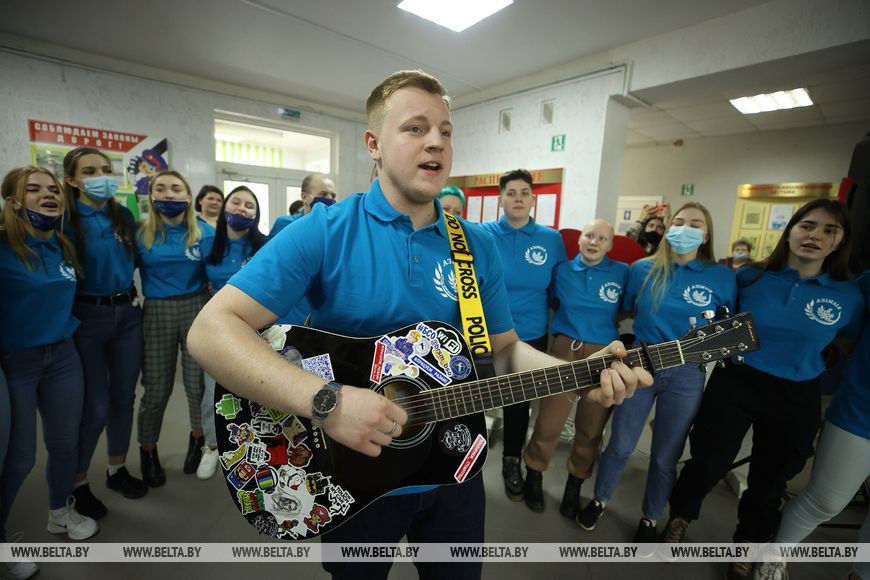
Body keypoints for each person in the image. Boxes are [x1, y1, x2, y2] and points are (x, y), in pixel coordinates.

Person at [187, 69, 650, 580]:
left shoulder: (475, 244)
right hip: (349, 469)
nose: (436, 141)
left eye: (446, 131)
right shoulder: (323, 230)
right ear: (374, 144)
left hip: (453, 467)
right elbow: (211, 330)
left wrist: (584, 374)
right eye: (415, 128)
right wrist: (328, 402)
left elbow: (505, 350)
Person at [663, 199, 864, 580]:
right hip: (738, 382)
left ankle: (748, 544)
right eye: (807, 225)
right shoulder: (749, 278)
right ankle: (680, 517)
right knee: (709, 459)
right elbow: (715, 325)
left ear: (840, 242)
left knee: (770, 479)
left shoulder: (848, 296)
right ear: (789, 231)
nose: (815, 236)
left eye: (828, 230)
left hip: (797, 392)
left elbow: (848, 345)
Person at [577, 202, 737, 543]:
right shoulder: (641, 269)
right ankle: (600, 499)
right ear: (667, 228)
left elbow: (726, 325)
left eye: (695, 223)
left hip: (688, 372)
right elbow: (626, 309)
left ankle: (650, 517)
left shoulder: (722, 277)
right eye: (678, 222)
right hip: (640, 362)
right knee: (620, 443)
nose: (685, 228)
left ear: (706, 233)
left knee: (666, 454)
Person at [0, 166, 98, 542]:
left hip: (62, 357)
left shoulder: (63, 244)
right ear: (12, 202)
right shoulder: (3, 247)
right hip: (15, 363)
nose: (48, 195)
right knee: (20, 458)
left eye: (53, 189)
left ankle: (59, 512)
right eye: (34, 189)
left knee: (64, 443)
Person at [754, 273, 868, 580]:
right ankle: (774, 555)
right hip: (861, 412)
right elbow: (843, 328)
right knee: (825, 500)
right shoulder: (865, 284)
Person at [62, 147, 147, 522]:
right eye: (90, 170)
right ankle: (77, 484)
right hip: (87, 317)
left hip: (127, 314)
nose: (102, 176)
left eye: (106, 169)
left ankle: (116, 469)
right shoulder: (65, 219)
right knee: (94, 406)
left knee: (123, 398)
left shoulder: (123, 215)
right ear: (72, 180)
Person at [522, 219, 629, 516]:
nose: (594, 242)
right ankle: (534, 472)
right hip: (563, 350)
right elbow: (549, 300)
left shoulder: (622, 273)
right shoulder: (562, 270)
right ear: (580, 239)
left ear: (610, 245)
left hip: (604, 354)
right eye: (589, 235)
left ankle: (574, 484)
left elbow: (628, 306)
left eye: (602, 238)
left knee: (591, 426)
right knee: (549, 420)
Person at [480, 169, 567, 502]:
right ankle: (462, 458)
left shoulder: (550, 239)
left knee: (519, 404)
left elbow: (558, 289)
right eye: (511, 193)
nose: (518, 198)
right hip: (484, 335)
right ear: (501, 198)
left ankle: (511, 461)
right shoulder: (482, 233)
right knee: (471, 398)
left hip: (530, 335)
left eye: (524, 193)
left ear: (533, 198)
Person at [136, 170, 213, 487]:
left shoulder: (204, 233)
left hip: (197, 307)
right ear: (152, 196)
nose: (169, 194)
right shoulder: (141, 234)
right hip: (157, 310)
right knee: (156, 388)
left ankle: (198, 440)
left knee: (197, 385)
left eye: (176, 188)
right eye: (161, 189)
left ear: (188, 195)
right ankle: (148, 450)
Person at [195, 186, 267, 479]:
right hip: (219, 330)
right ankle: (211, 446)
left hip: (257, 328)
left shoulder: (266, 245)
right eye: (235, 202)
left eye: (249, 205)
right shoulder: (209, 244)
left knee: (258, 389)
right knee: (213, 389)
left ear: (256, 213)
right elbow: (197, 283)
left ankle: (255, 448)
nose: (241, 209)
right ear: (225, 207)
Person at [268, 173, 337, 237]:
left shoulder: (334, 226)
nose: (330, 198)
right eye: (323, 194)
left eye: (333, 196)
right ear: (304, 197)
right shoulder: (285, 224)